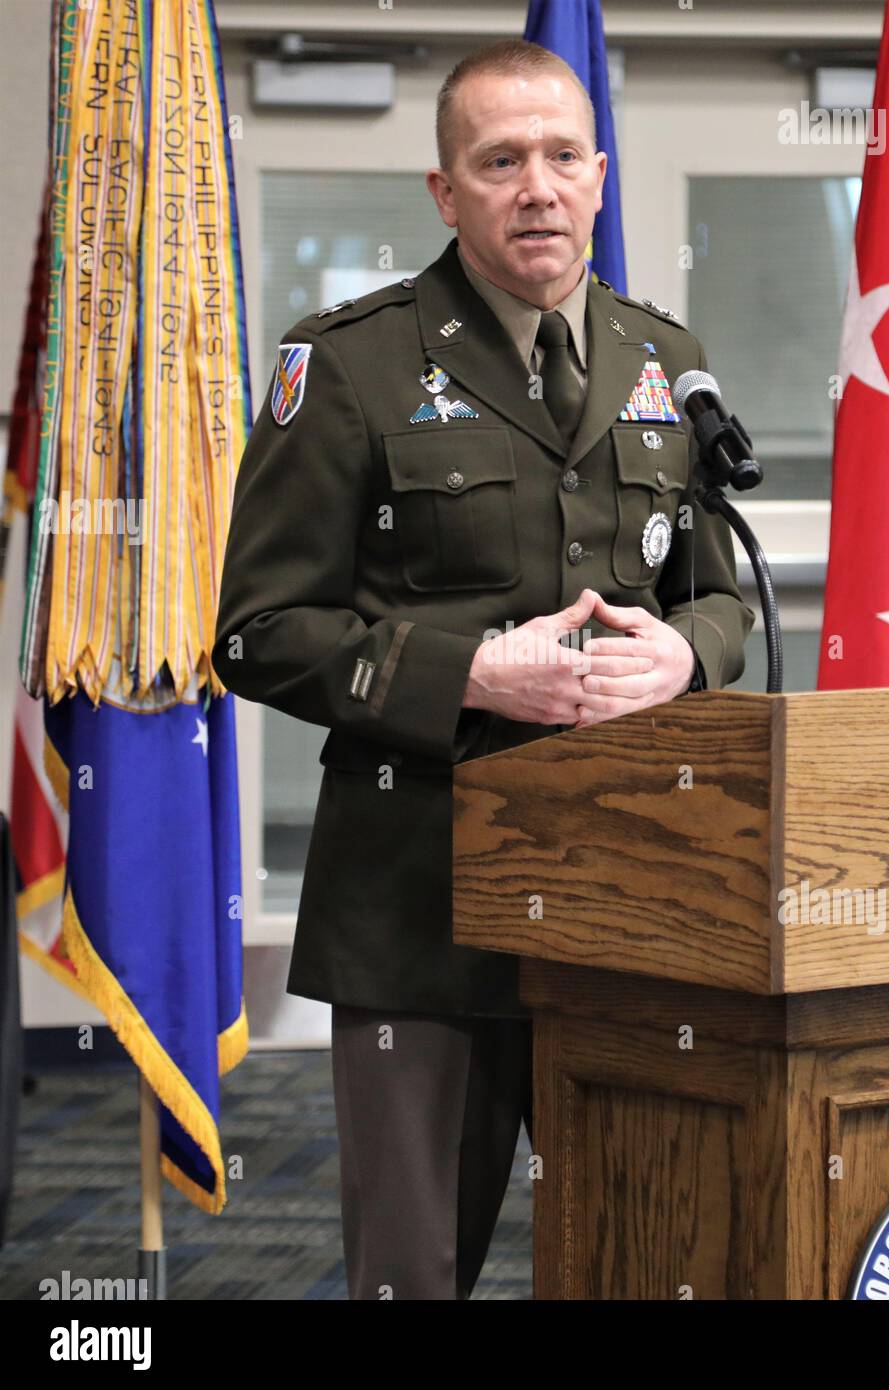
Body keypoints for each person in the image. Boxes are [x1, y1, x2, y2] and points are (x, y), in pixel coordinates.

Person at [212, 37, 754, 1300]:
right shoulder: (346, 365)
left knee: (640, 1255)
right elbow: (256, 632)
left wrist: (689, 652)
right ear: (445, 193)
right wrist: (468, 674)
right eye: (499, 160)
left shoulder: (664, 360)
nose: (538, 187)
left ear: (601, 177)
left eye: (563, 156)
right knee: (416, 1271)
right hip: (419, 917)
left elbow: (720, 596)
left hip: (635, 908)